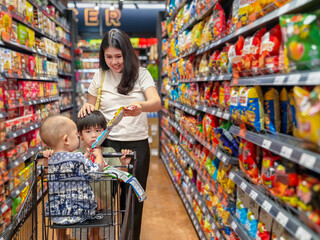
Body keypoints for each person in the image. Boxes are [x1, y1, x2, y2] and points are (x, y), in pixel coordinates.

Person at [78, 28, 161, 239]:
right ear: (103, 56)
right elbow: (89, 102)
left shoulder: (141, 74)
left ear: (127, 53)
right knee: (101, 196)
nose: (114, 61)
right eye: (109, 57)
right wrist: (85, 107)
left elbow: (156, 102)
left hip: (137, 146)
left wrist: (141, 107)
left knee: (132, 200)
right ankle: (100, 236)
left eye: (118, 56)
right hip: (106, 145)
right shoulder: (101, 75)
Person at [42, 112, 132, 240]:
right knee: (81, 236)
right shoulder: (73, 154)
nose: (94, 135)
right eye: (88, 131)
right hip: (80, 208)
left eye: (98, 130)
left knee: (103, 236)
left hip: (105, 206)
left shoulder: (110, 153)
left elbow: (119, 176)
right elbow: (51, 174)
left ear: (104, 132)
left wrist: (124, 164)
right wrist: (49, 157)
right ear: (79, 135)